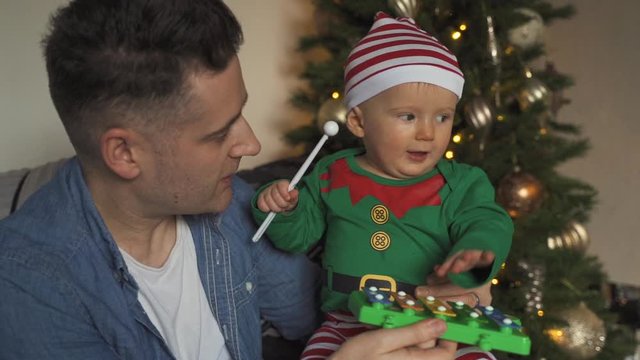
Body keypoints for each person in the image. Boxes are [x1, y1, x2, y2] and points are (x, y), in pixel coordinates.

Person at [0, 1, 487, 359]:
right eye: (219, 133)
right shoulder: (29, 282)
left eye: (241, 114)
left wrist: (439, 285)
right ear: (124, 153)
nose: (252, 145)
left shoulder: (236, 208)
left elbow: (322, 312)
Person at [252, 12, 514, 359]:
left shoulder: (461, 183)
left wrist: (476, 255)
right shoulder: (333, 173)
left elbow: (489, 222)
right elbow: (297, 237)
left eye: (443, 117)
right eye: (408, 116)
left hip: (443, 322)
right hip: (348, 323)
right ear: (359, 122)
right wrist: (283, 209)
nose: (427, 132)